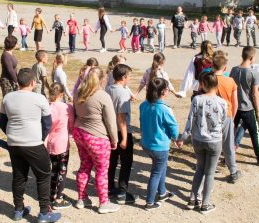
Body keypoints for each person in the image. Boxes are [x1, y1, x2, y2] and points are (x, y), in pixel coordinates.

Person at [0, 68, 61, 223]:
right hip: (33, 142)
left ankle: (18, 209)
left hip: (14, 143)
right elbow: (47, 123)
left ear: (18, 82)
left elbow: (2, 121)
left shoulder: (7, 97)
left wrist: (12, 133)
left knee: (19, 176)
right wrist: (39, 137)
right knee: (44, 174)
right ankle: (44, 212)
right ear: (33, 82)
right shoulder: (39, 99)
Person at [177, 72, 226, 214]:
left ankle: (192, 199)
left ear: (203, 85)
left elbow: (190, 120)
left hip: (198, 139)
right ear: (217, 85)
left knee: (199, 168)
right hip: (214, 140)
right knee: (210, 172)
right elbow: (223, 122)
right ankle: (205, 204)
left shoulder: (197, 99)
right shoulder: (222, 102)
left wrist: (183, 137)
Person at [73, 67, 119, 214]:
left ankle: (82, 198)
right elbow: (111, 121)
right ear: (101, 79)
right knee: (101, 170)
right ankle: (104, 202)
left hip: (80, 133)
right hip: (97, 136)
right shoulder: (102, 96)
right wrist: (114, 139)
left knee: (84, 166)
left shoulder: (78, 93)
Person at [140, 78, 179, 210]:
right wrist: (176, 138)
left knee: (161, 166)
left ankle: (162, 193)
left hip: (147, 144)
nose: (168, 91)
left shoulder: (143, 105)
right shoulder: (164, 109)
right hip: (160, 146)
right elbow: (173, 127)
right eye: (167, 89)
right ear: (163, 91)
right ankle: (150, 202)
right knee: (156, 172)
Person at [229, 47, 259, 166]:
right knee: (255, 132)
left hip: (235, 106)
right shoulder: (253, 72)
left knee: (232, 131)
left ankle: (228, 156)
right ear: (252, 58)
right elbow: (255, 93)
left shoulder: (234, 70)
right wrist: (258, 110)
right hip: (247, 107)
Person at [106, 64, 138, 205]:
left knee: (112, 161)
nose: (130, 79)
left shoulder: (109, 88)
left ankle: (109, 187)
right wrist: (125, 138)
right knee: (126, 162)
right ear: (124, 77)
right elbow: (122, 118)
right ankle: (122, 192)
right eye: (129, 76)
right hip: (121, 131)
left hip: (109, 130)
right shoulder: (123, 93)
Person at [211, 52, 240, 183]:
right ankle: (233, 171)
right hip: (227, 115)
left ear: (212, 66)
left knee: (213, 142)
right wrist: (232, 118)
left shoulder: (208, 80)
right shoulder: (230, 81)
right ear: (225, 68)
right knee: (228, 144)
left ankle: (211, 167)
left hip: (211, 116)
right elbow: (235, 102)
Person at [45, 83, 75, 209]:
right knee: (62, 170)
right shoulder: (67, 107)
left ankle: (51, 195)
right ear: (61, 94)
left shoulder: (47, 107)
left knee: (54, 169)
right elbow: (72, 123)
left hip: (50, 142)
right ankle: (59, 197)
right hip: (62, 143)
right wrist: (72, 132)